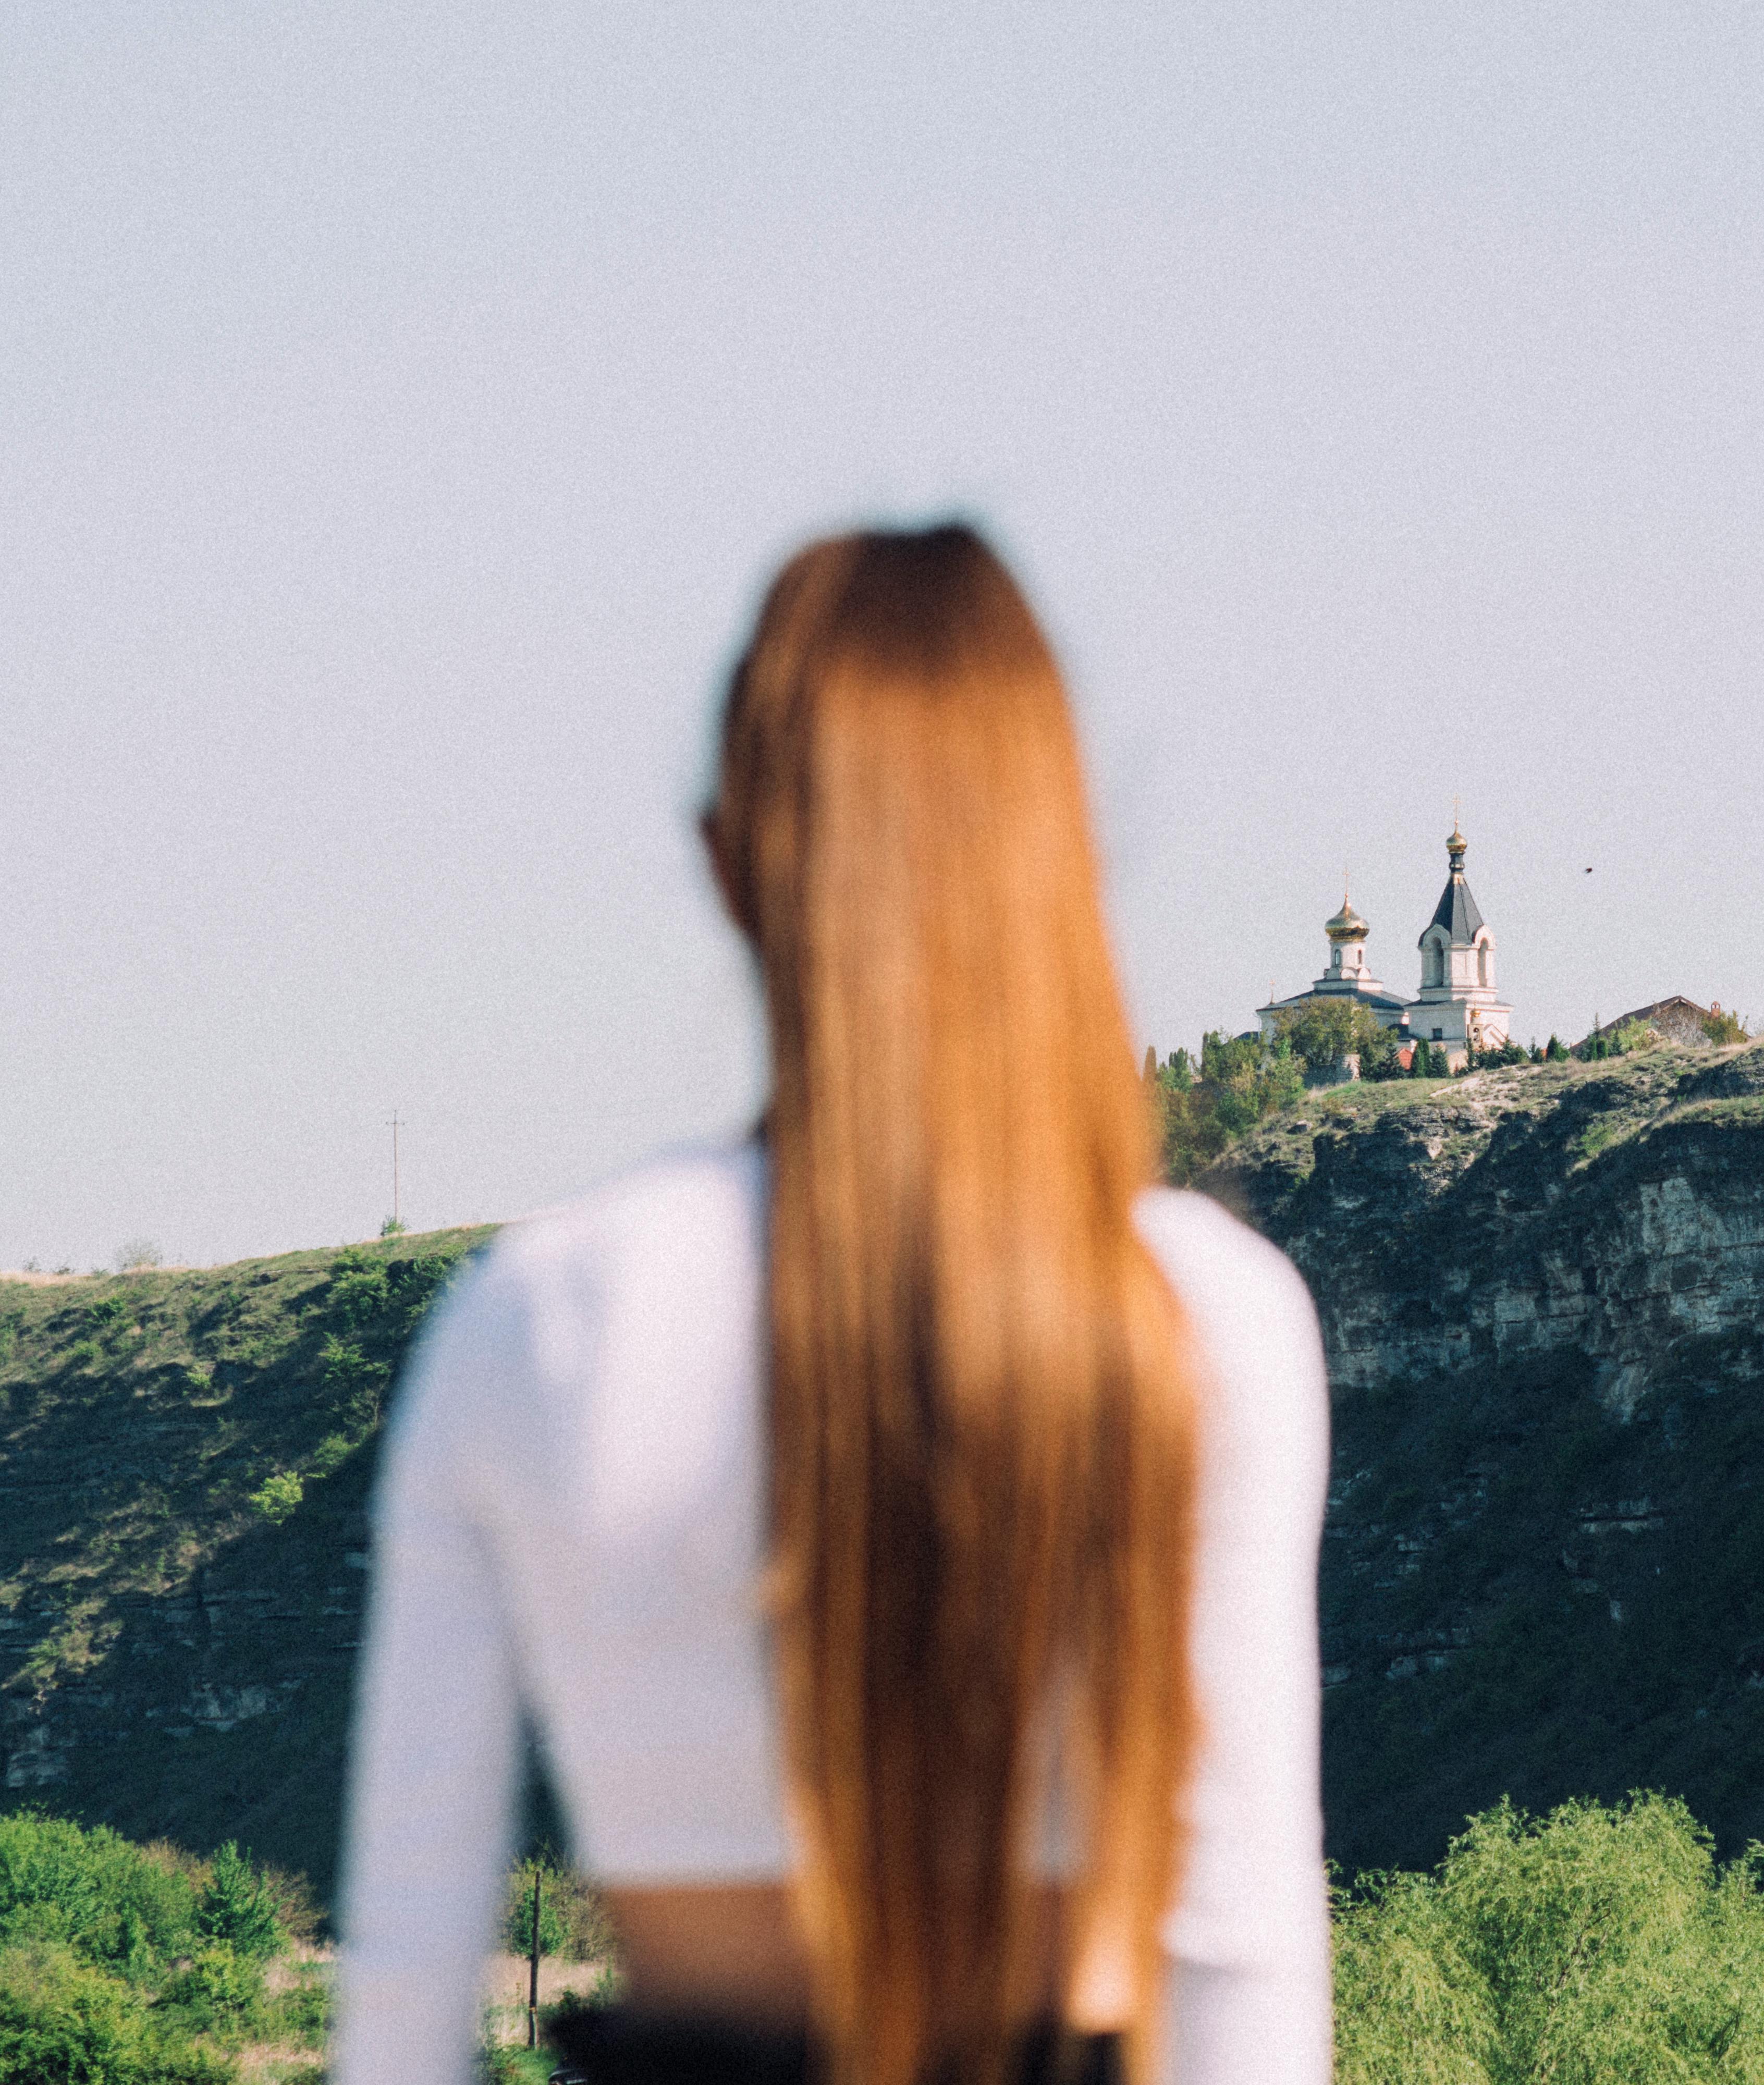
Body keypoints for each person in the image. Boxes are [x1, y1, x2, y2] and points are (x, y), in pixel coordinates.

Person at [335, 527, 1333, 2085]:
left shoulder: (535, 1325)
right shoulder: (1198, 1319)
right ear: (1064, 855)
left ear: (730, 859)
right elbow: (1241, 1975)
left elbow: (404, 1999)